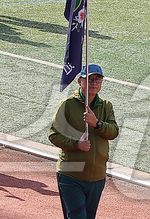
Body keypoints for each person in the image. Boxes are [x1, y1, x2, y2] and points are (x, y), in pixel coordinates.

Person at [50, 64, 120, 219]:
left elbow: (114, 132)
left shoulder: (106, 106)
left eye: (98, 79)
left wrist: (97, 124)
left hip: (97, 176)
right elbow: (54, 135)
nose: (94, 83)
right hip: (71, 174)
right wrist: (76, 144)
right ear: (80, 81)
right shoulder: (67, 105)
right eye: (90, 79)